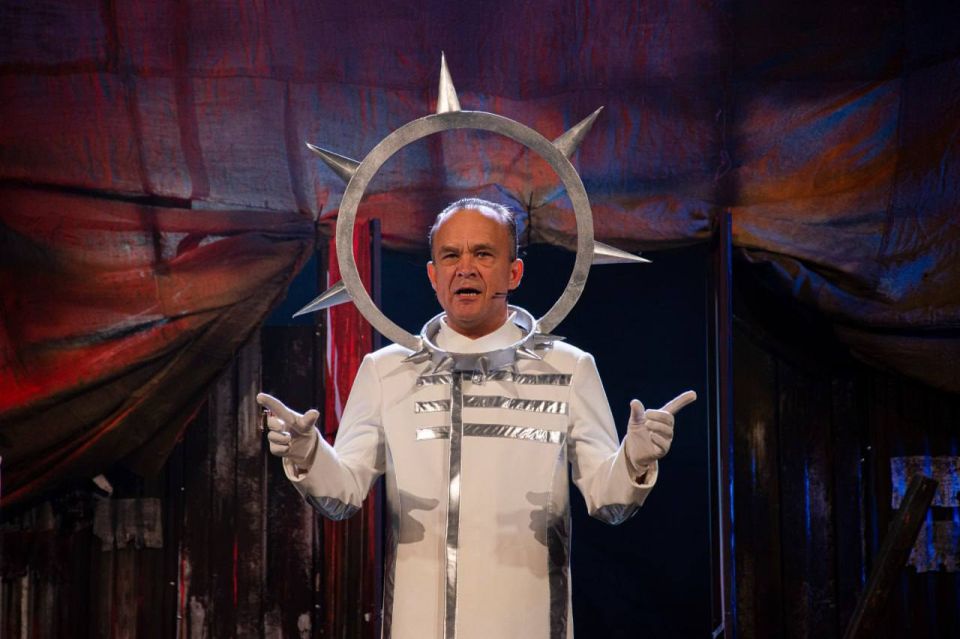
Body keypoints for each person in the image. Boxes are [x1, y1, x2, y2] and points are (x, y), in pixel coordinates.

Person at [257, 198, 695, 639]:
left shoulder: (568, 369)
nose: (465, 268)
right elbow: (343, 494)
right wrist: (308, 454)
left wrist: (634, 459)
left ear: (514, 273)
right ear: (433, 276)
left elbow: (609, 501)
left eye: (483, 254)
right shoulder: (386, 371)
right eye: (451, 255)